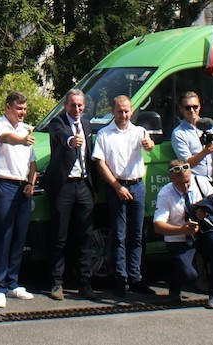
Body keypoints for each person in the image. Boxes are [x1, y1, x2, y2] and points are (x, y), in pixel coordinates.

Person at [91, 94, 155, 296]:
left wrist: (149, 145)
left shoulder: (139, 131)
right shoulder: (104, 134)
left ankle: (135, 278)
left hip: (137, 186)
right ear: (113, 111)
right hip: (116, 187)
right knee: (119, 236)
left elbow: (149, 144)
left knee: (136, 236)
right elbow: (99, 163)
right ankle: (120, 279)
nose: (124, 115)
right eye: (120, 111)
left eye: (127, 111)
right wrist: (117, 187)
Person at [44, 90, 98, 300]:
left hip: (83, 185)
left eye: (80, 106)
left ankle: (85, 282)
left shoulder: (86, 124)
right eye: (73, 105)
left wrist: (93, 189)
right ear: (65, 106)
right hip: (63, 187)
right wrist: (70, 141)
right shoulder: (58, 123)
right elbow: (61, 136)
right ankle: (56, 283)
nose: (77, 110)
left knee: (85, 236)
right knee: (59, 237)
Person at [153, 159, 213, 310]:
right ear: (171, 179)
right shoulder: (165, 194)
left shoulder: (200, 182)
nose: (186, 186)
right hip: (180, 236)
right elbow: (157, 226)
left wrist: (206, 209)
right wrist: (182, 229)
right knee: (189, 275)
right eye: (180, 183)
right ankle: (175, 282)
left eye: (187, 181)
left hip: (204, 230)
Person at [0, 91, 37, 308]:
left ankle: (12, 283)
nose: (22, 113)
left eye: (24, 109)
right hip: (4, 185)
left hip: (22, 187)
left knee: (19, 237)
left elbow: (32, 162)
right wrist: (22, 139)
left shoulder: (26, 130)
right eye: (19, 109)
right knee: (3, 236)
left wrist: (31, 183)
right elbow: (7, 139)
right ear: (8, 107)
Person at [171, 91, 213, 181]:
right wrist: (204, 152)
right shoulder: (178, 133)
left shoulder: (209, 124)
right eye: (187, 108)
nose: (192, 110)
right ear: (181, 109)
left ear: (199, 106)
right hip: (196, 183)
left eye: (195, 107)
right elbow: (187, 164)